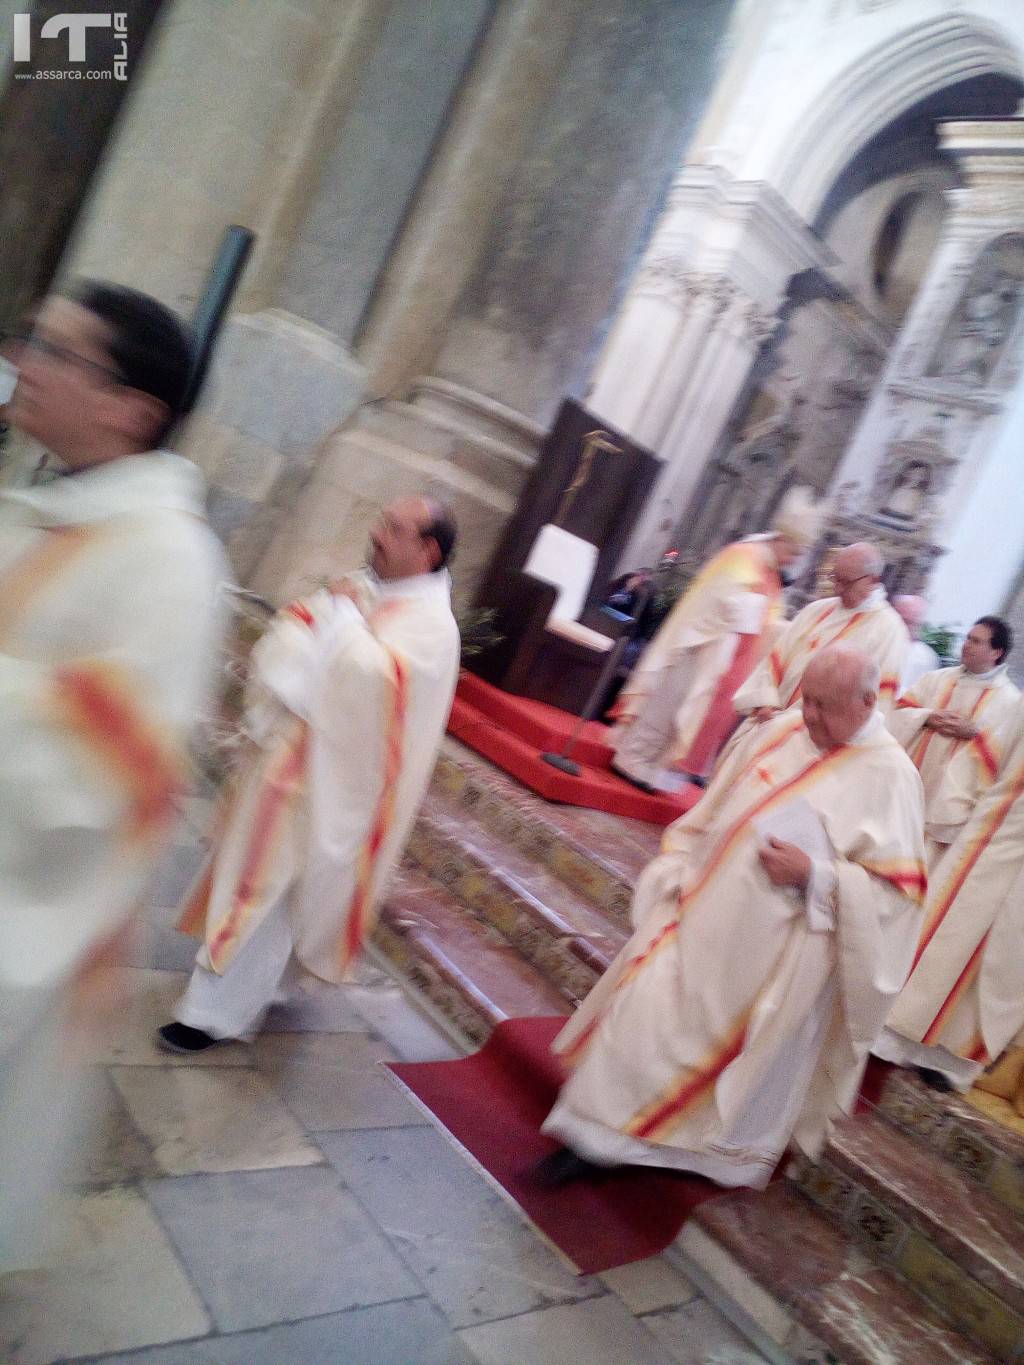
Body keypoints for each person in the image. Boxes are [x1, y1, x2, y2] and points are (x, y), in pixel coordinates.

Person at [0, 283, 229, 1267]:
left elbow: (114, 767)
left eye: (58, 351)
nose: (26, 360)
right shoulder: (56, 506)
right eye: (33, 338)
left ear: (132, 409)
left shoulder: (170, 558)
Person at [540, 646, 926, 1186]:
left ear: (868, 701)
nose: (807, 715)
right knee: (644, 1012)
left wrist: (818, 875)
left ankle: (645, 1146)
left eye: (823, 706)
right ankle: (591, 1134)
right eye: (806, 699)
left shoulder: (892, 778)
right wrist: (680, 860)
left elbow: (897, 900)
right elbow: (718, 801)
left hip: (766, 955)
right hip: (698, 910)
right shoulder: (786, 729)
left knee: (695, 1048)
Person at [159, 495, 461, 1053]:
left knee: (267, 892)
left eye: (393, 528)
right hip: (292, 760)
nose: (376, 532)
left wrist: (340, 624)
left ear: (428, 551)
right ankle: (250, 991)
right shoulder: (367, 586)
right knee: (263, 887)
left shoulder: (433, 629)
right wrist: (310, 662)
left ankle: (210, 1014)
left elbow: (375, 689)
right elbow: (295, 626)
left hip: (331, 783)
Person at [609, 487, 820, 792]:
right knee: (669, 706)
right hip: (699, 645)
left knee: (686, 714)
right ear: (782, 539)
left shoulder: (771, 572)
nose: (793, 560)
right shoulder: (745, 555)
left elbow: (767, 619)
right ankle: (631, 759)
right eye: (794, 552)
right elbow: (717, 597)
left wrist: (785, 628)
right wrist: (750, 608)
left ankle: (653, 767)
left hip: (724, 657)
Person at [874, 702, 1024, 1093]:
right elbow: (982, 759)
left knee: (1005, 965)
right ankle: (891, 1038)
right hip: (989, 846)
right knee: (946, 938)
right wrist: (952, 814)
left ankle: (952, 1064)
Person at [888, 616, 1019, 866]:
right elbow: (897, 713)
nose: (966, 645)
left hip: (948, 803)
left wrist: (976, 734)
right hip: (910, 781)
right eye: (968, 638)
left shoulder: (1009, 702)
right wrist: (927, 717)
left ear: (996, 652)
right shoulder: (938, 679)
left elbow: (1007, 758)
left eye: (976, 641)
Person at [734, 542, 907, 724]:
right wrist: (765, 701)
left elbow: (875, 704)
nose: (838, 589)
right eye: (835, 578)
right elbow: (775, 660)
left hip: (819, 739)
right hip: (768, 720)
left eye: (846, 582)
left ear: (873, 581)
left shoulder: (890, 631)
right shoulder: (817, 610)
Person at [892, 594, 940, 691]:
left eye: (911, 622)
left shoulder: (927, 657)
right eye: (903, 620)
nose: (905, 626)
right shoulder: (880, 641)